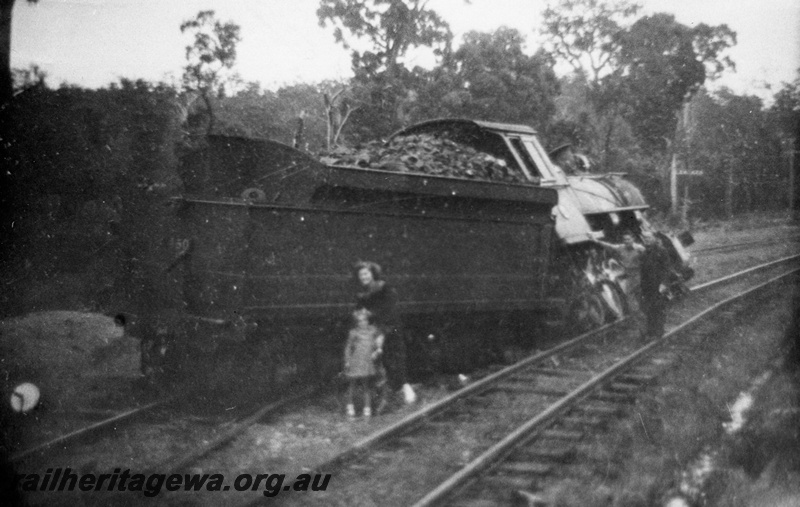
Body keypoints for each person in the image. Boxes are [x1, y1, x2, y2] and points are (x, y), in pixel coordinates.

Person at [353, 261, 417, 410]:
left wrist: (381, 329)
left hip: (389, 328)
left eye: (366, 273)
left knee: (394, 359)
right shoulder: (362, 294)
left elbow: (390, 310)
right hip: (373, 330)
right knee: (376, 363)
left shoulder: (384, 289)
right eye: (361, 274)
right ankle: (384, 397)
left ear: (373, 274)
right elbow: (359, 313)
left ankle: (406, 389)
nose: (364, 277)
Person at [592, 231, 646, 316]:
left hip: (639, 272)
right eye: (625, 240)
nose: (626, 241)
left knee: (633, 293)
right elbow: (609, 246)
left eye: (628, 239)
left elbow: (648, 258)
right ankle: (639, 312)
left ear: (633, 239)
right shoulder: (621, 248)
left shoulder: (640, 248)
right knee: (633, 293)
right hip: (629, 274)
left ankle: (639, 312)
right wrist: (596, 241)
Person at [343, 308, 383, 419]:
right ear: (357, 323)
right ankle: (350, 407)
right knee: (352, 384)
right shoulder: (354, 332)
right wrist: (347, 360)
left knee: (366, 385)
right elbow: (348, 347)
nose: (362, 323)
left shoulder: (372, 330)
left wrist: (378, 349)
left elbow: (380, 336)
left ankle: (367, 408)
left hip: (366, 361)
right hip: (356, 360)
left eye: (364, 320)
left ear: (367, 321)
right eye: (360, 321)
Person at [639, 230, 672, 341]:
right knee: (649, 309)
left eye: (648, 238)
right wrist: (642, 289)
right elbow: (643, 272)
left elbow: (667, 269)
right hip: (648, 286)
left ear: (653, 238)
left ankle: (659, 332)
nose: (646, 240)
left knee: (659, 308)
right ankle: (651, 331)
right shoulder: (644, 254)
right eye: (645, 238)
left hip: (659, 285)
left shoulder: (661, 251)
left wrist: (664, 283)